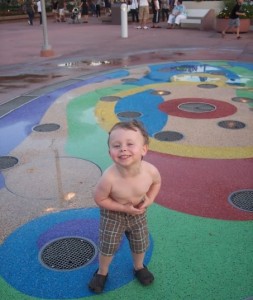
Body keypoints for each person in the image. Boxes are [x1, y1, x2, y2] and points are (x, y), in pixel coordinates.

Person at [88, 120, 161, 294]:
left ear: (144, 149)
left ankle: (138, 267)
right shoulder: (109, 177)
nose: (123, 148)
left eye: (130, 144)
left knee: (140, 243)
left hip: (138, 212)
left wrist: (150, 199)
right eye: (116, 145)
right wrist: (123, 209)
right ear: (110, 152)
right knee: (108, 246)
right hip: (113, 215)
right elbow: (100, 199)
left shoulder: (150, 171)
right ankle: (102, 272)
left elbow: (157, 183)